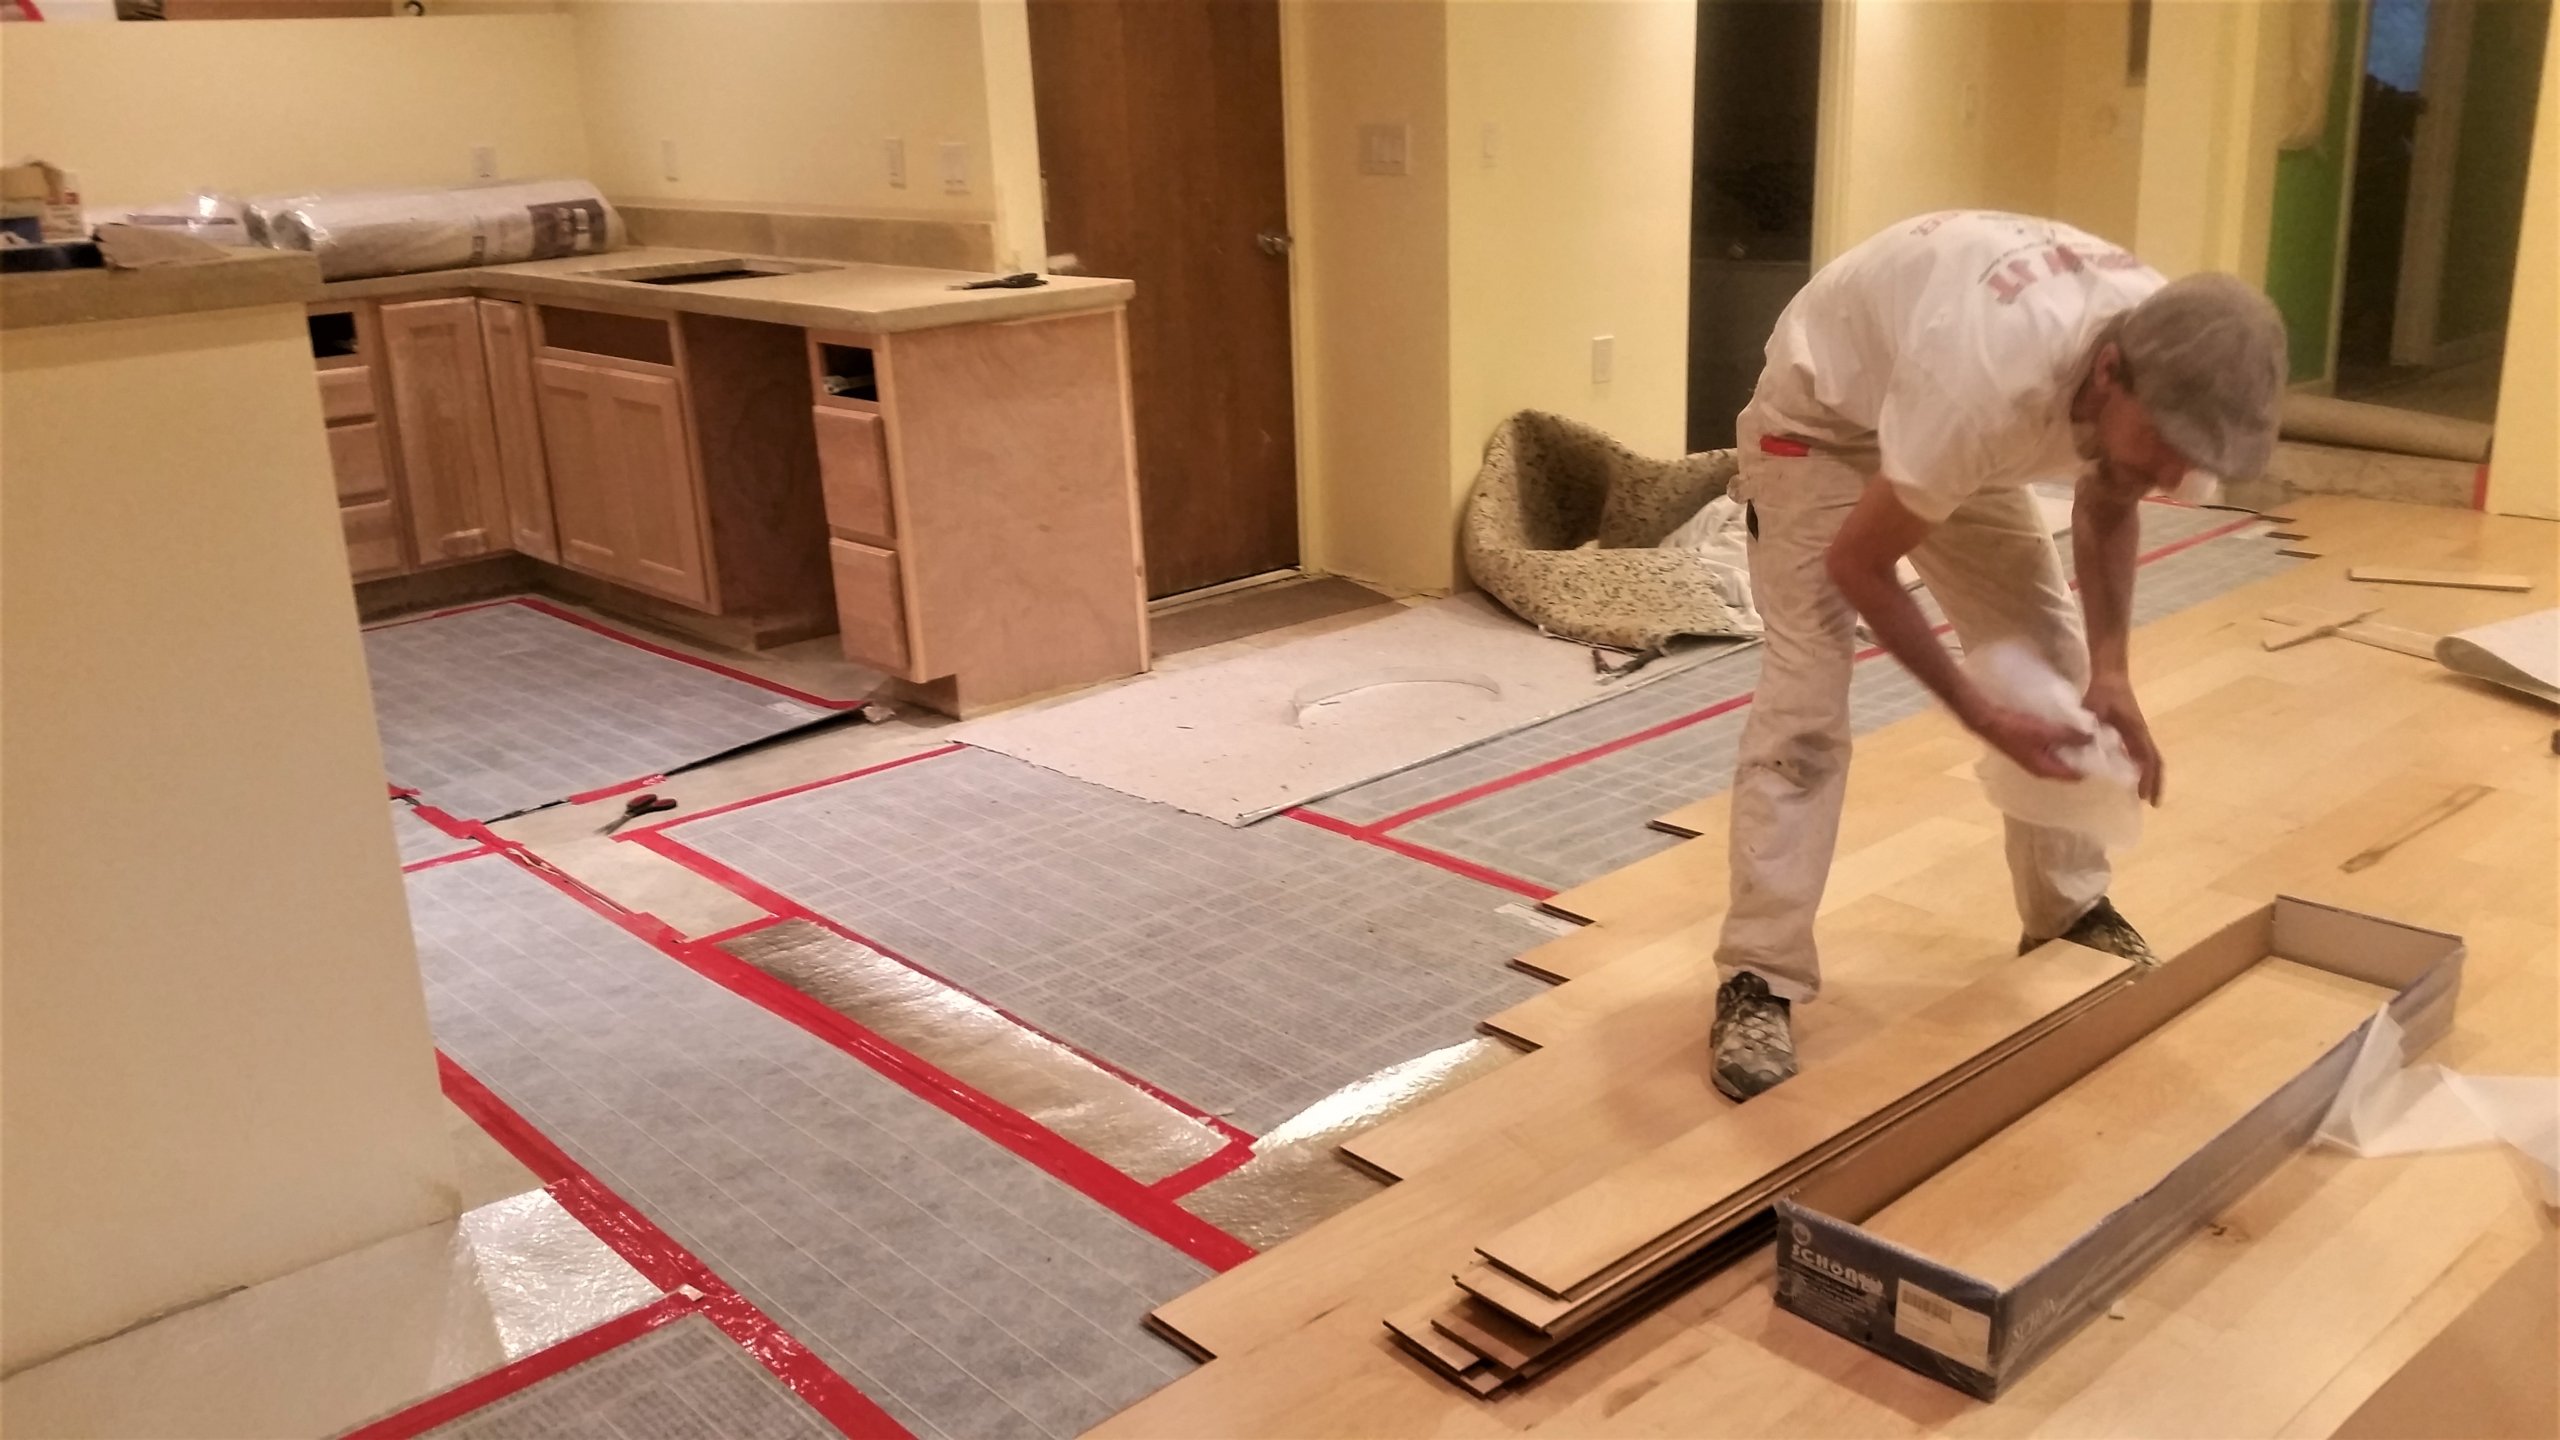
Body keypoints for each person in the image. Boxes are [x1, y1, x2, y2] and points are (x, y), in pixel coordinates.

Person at [1709, 211, 2288, 1102]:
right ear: (2107, 373)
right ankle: (1759, 973)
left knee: (2051, 657)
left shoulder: (2176, 372)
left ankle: (2069, 915)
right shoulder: (1987, 371)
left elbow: (2111, 495)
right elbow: (1858, 563)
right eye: (2165, 454)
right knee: (1807, 699)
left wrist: (2113, 672)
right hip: (1822, 424)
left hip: (1948, 430)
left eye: (2192, 463)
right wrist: (1978, 711)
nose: (2176, 477)